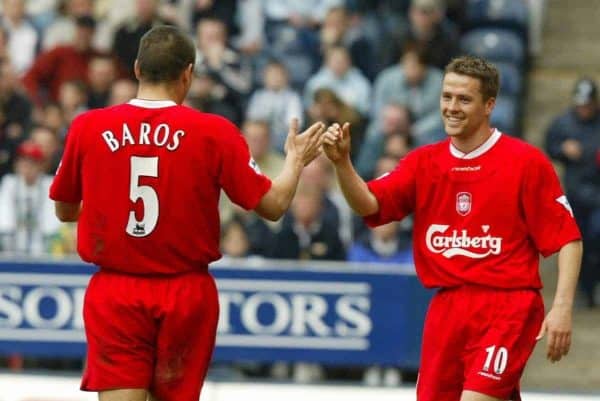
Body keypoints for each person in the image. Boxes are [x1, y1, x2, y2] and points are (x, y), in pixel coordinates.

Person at [49, 25, 325, 401]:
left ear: (136, 69)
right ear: (188, 74)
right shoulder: (214, 132)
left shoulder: (88, 127)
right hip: (185, 292)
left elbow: (65, 210)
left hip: (115, 289)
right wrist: (294, 162)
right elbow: (273, 206)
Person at [321, 55, 582, 401]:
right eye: (446, 97)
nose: (452, 107)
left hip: (508, 308)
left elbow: (568, 239)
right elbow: (370, 204)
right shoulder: (423, 162)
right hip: (447, 310)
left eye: (464, 99)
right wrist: (342, 164)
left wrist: (562, 307)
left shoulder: (525, 162)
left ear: (489, 105)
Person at [545, 77, 600, 308]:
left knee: (597, 237)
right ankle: (582, 290)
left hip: (598, 195)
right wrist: (563, 149)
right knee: (578, 243)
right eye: (580, 105)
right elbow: (550, 146)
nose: (584, 110)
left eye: (588, 105)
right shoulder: (563, 123)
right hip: (575, 194)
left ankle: (594, 285)